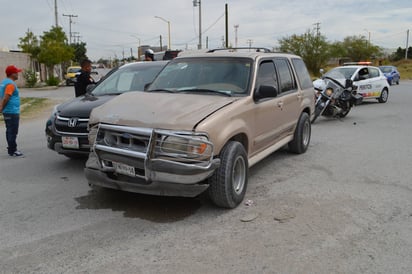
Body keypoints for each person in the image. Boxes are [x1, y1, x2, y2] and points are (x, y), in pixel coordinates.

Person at [0, 65, 24, 156]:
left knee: (9, 130)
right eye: (16, 72)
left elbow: (1, 96)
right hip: (11, 111)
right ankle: (13, 150)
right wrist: (1, 107)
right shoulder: (10, 84)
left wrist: (1, 107)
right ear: (12, 74)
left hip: (8, 110)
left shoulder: (3, 82)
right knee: (13, 131)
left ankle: (11, 148)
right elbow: (6, 97)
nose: (18, 74)